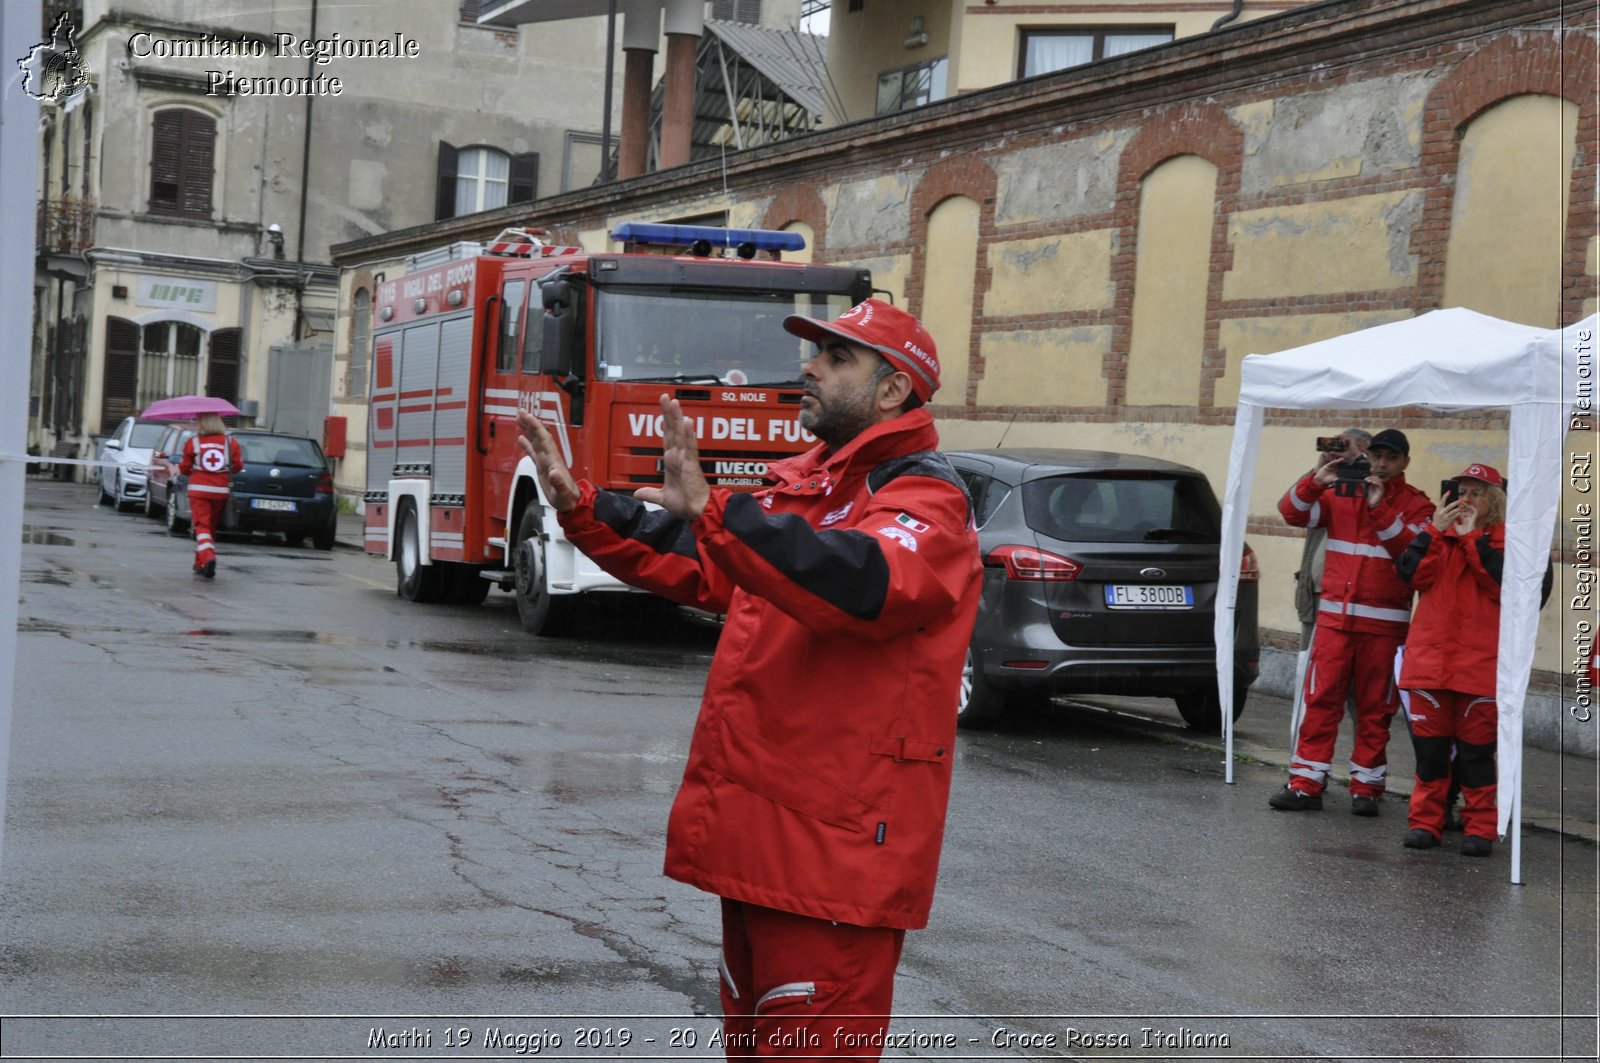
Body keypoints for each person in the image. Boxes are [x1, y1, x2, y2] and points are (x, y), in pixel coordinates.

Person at [517, 299, 981, 1060]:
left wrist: (720, 515)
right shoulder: (810, 485)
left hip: (834, 864)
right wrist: (585, 506)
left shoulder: (927, 498)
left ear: (893, 390)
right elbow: (703, 558)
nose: (809, 367)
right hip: (766, 850)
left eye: (836, 358)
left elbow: (863, 581)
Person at [1270, 428, 1433, 815]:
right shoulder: (1341, 490)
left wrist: (1379, 508)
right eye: (1376, 455)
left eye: (1391, 458)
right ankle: (1306, 784)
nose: (1381, 463)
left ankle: (1367, 788)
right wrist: (1316, 478)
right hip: (1335, 622)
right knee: (1320, 702)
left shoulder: (1417, 504)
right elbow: (1291, 512)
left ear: (1405, 463)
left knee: (1376, 710)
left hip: (1384, 626)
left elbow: (1411, 553)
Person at [1396, 464, 1548, 856]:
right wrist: (1433, 530)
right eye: (1461, 491)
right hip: (1430, 664)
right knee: (1430, 753)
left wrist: (1472, 540)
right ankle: (1425, 823)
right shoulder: (1436, 535)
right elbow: (1409, 575)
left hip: (1482, 668)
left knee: (1476, 754)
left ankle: (1479, 826)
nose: (1465, 500)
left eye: (1476, 493)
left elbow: (1506, 589)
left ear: (1494, 503)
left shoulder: (1510, 543)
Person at [1294, 429, 1372, 649]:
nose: (1340, 453)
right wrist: (1317, 472)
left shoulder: (1371, 485)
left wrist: (1357, 463)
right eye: (1337, 447)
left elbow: (1370, 499)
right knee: (1308, 663)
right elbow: (1291, 507)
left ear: (1364, 451)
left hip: (1346, 595)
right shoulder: (1325, 482)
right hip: (1315, 592)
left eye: (1345, 447)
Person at [178, 413, 242, 579]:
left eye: (198, 422)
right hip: (220, 491)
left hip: (199, 490)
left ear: (203, 424)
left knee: (201, 525)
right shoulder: (230, 442)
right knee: (209, 527)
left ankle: (208, 557)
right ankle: (200, 563)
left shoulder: (194, 442)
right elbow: (237, 466)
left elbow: (184, 468)